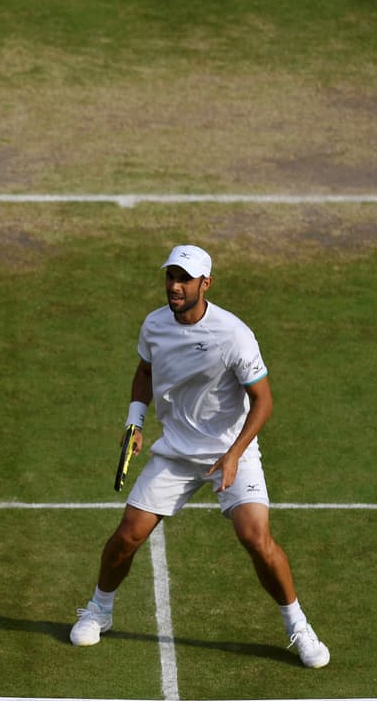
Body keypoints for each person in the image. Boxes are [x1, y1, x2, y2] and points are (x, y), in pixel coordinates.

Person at [70, 245, 329, 669]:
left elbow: (263, 402)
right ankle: (99, 610)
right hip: (176, 450)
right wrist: (135, 422)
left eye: (184, 279)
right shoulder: (154, 325)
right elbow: (145, 371)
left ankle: (298, 625)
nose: (174, 286)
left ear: (205, 284)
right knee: (127, 536)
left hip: (232, 450)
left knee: (255, 538)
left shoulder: (234, 335)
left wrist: (233, 455)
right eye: (170, 277)